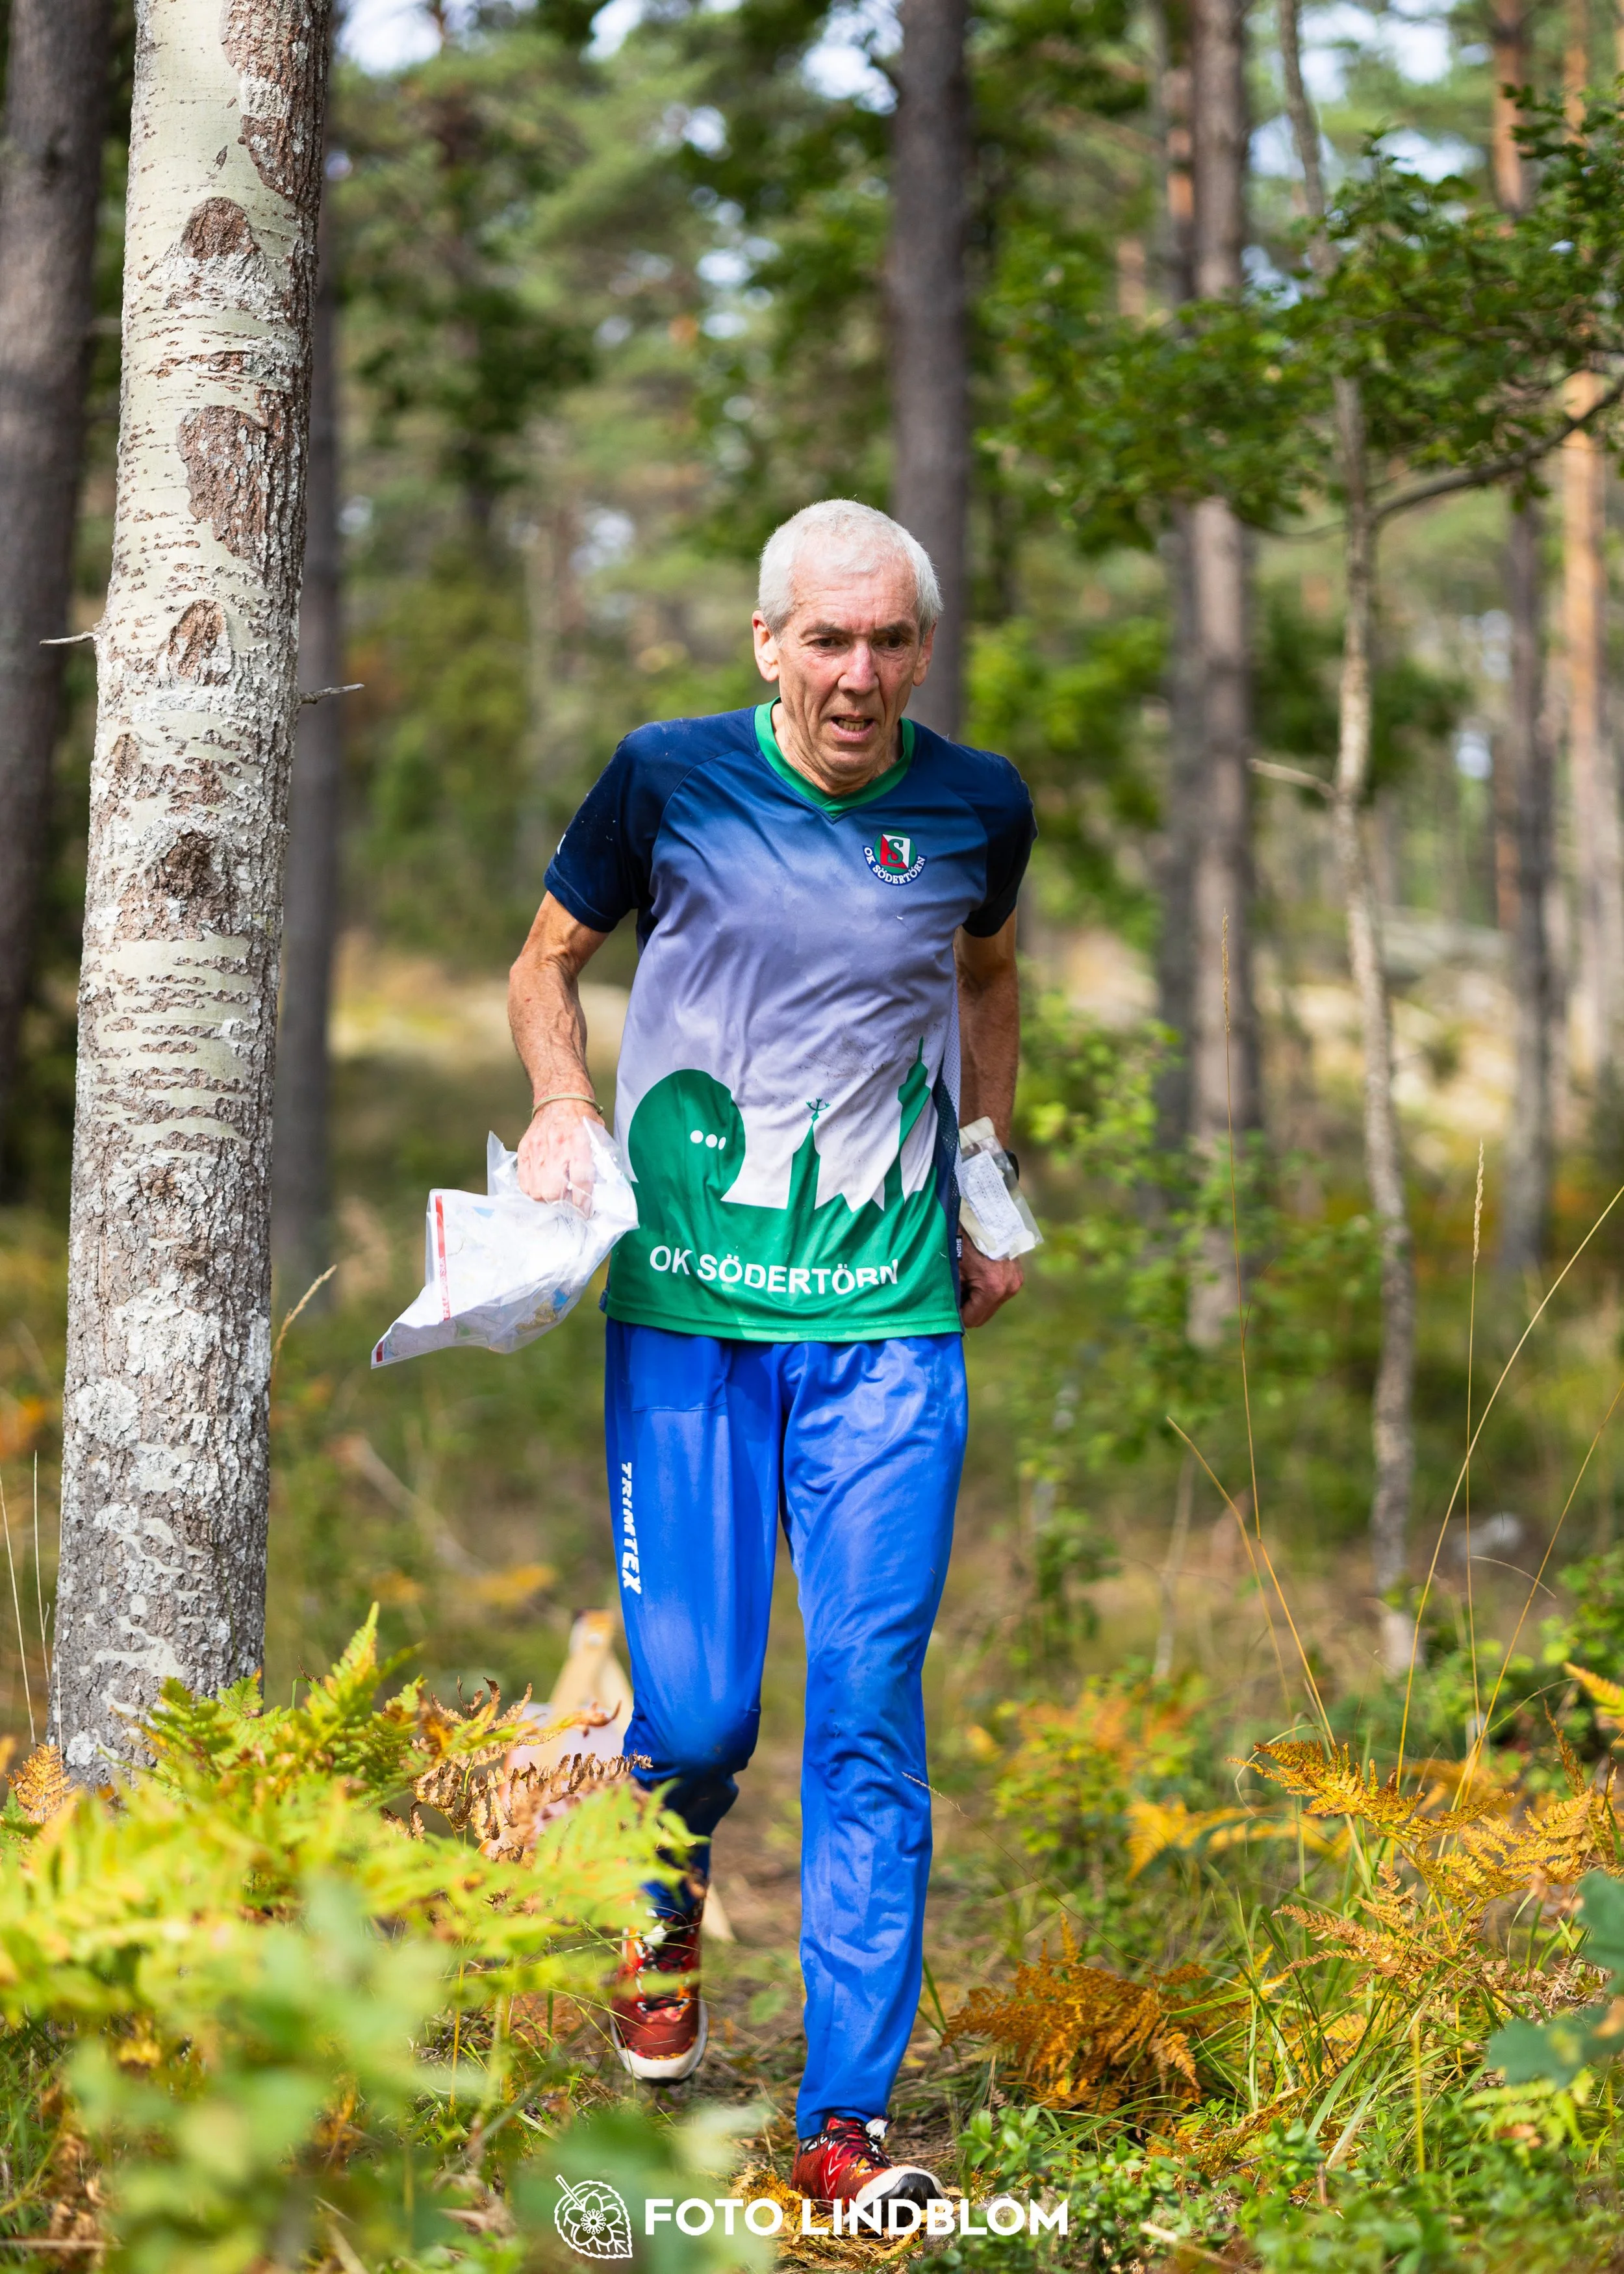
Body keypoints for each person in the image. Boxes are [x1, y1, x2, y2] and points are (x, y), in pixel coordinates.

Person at [508, 498, 1034, 2214]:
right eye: (826, 639)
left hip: (887, 1331)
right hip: (690, 1316)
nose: (857, 675)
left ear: (920, 654)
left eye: (888, 642)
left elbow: (990, 977)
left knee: (870, 1711)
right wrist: (564, 1104)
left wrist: (981, 1170)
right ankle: (657, 1901)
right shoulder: (663, 777)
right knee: (698, 1708)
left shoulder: (975, 805)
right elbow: (546, 963)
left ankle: (843, 2120)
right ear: (766, 645)